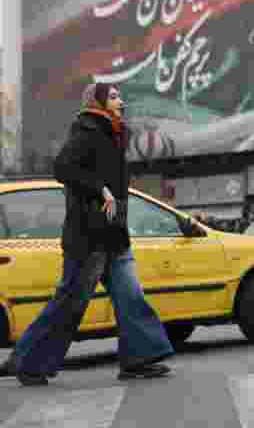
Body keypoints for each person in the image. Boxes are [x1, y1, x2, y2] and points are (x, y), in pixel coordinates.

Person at [0, 83, 174, 386]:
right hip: (88, 239)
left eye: (121, 96)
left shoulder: (115, 134)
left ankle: (138, 359)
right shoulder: (87, 131)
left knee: (131, 298)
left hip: (115, 236)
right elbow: (62, 168)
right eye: (114, 96)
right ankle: (28, 362)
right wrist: (100, 188)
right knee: (69, 304)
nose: (121, 101)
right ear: (99, 102)